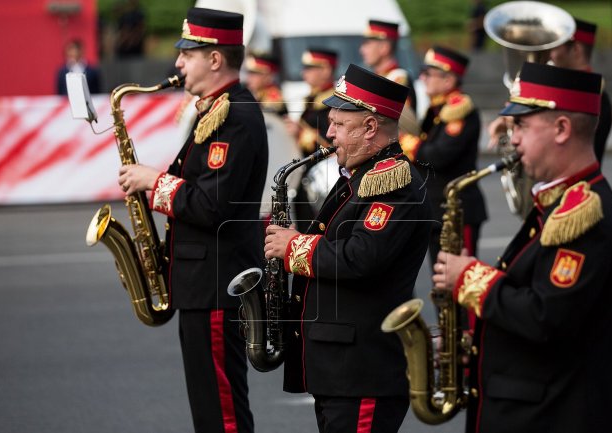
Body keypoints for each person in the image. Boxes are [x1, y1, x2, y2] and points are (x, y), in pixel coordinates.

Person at [433, 62, 612, 433]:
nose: (514, 138)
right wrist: (472, 339)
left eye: (522, 125)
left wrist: (470, 278)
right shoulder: (556, 204)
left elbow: (545, 317)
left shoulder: (583, 214)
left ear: (562, 129)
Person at [117, 7, 268, 433]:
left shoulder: (234, 115)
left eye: (188, 53)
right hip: (203, 282)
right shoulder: (215, 111)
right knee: (209, 409)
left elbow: (210, 206)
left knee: (221, 410)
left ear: (215, 59)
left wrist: (154, 181)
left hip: (217, 283)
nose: (178, 63)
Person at [264, 63, 431, 433]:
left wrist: (294, 247)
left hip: (363, 371)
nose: (329, 133)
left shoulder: (392, 184)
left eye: (338, 124)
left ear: (370, 126)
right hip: (341, 370)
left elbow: (360, 258)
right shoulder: (360, 177)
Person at [406, 46, 487, 264]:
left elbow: (438, 157)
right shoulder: (437, 110)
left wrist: (410, 146)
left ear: (448, 80)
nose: (422, 78)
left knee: (461, 283)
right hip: (435, 208)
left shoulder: (459, 110)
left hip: (457, 210)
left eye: (428, 74)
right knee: (441, 283)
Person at [283, 48, 338, 231]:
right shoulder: (313, 98)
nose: (303, 72)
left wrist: (301, 134)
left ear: (326, 70)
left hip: (326, 179)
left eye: (310, 67)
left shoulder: (334, 101)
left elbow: (334, 144)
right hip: (308, 175)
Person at [549, 18, 612, 164]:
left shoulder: (593, 98)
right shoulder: (575, 92)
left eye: (555, 48)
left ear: (576, 49)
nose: (551, 55)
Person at [360, 19, 417, 109]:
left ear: (384, 48)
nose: (362, 50)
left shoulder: (398, 78)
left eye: (367, 44)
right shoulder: (377, 77)